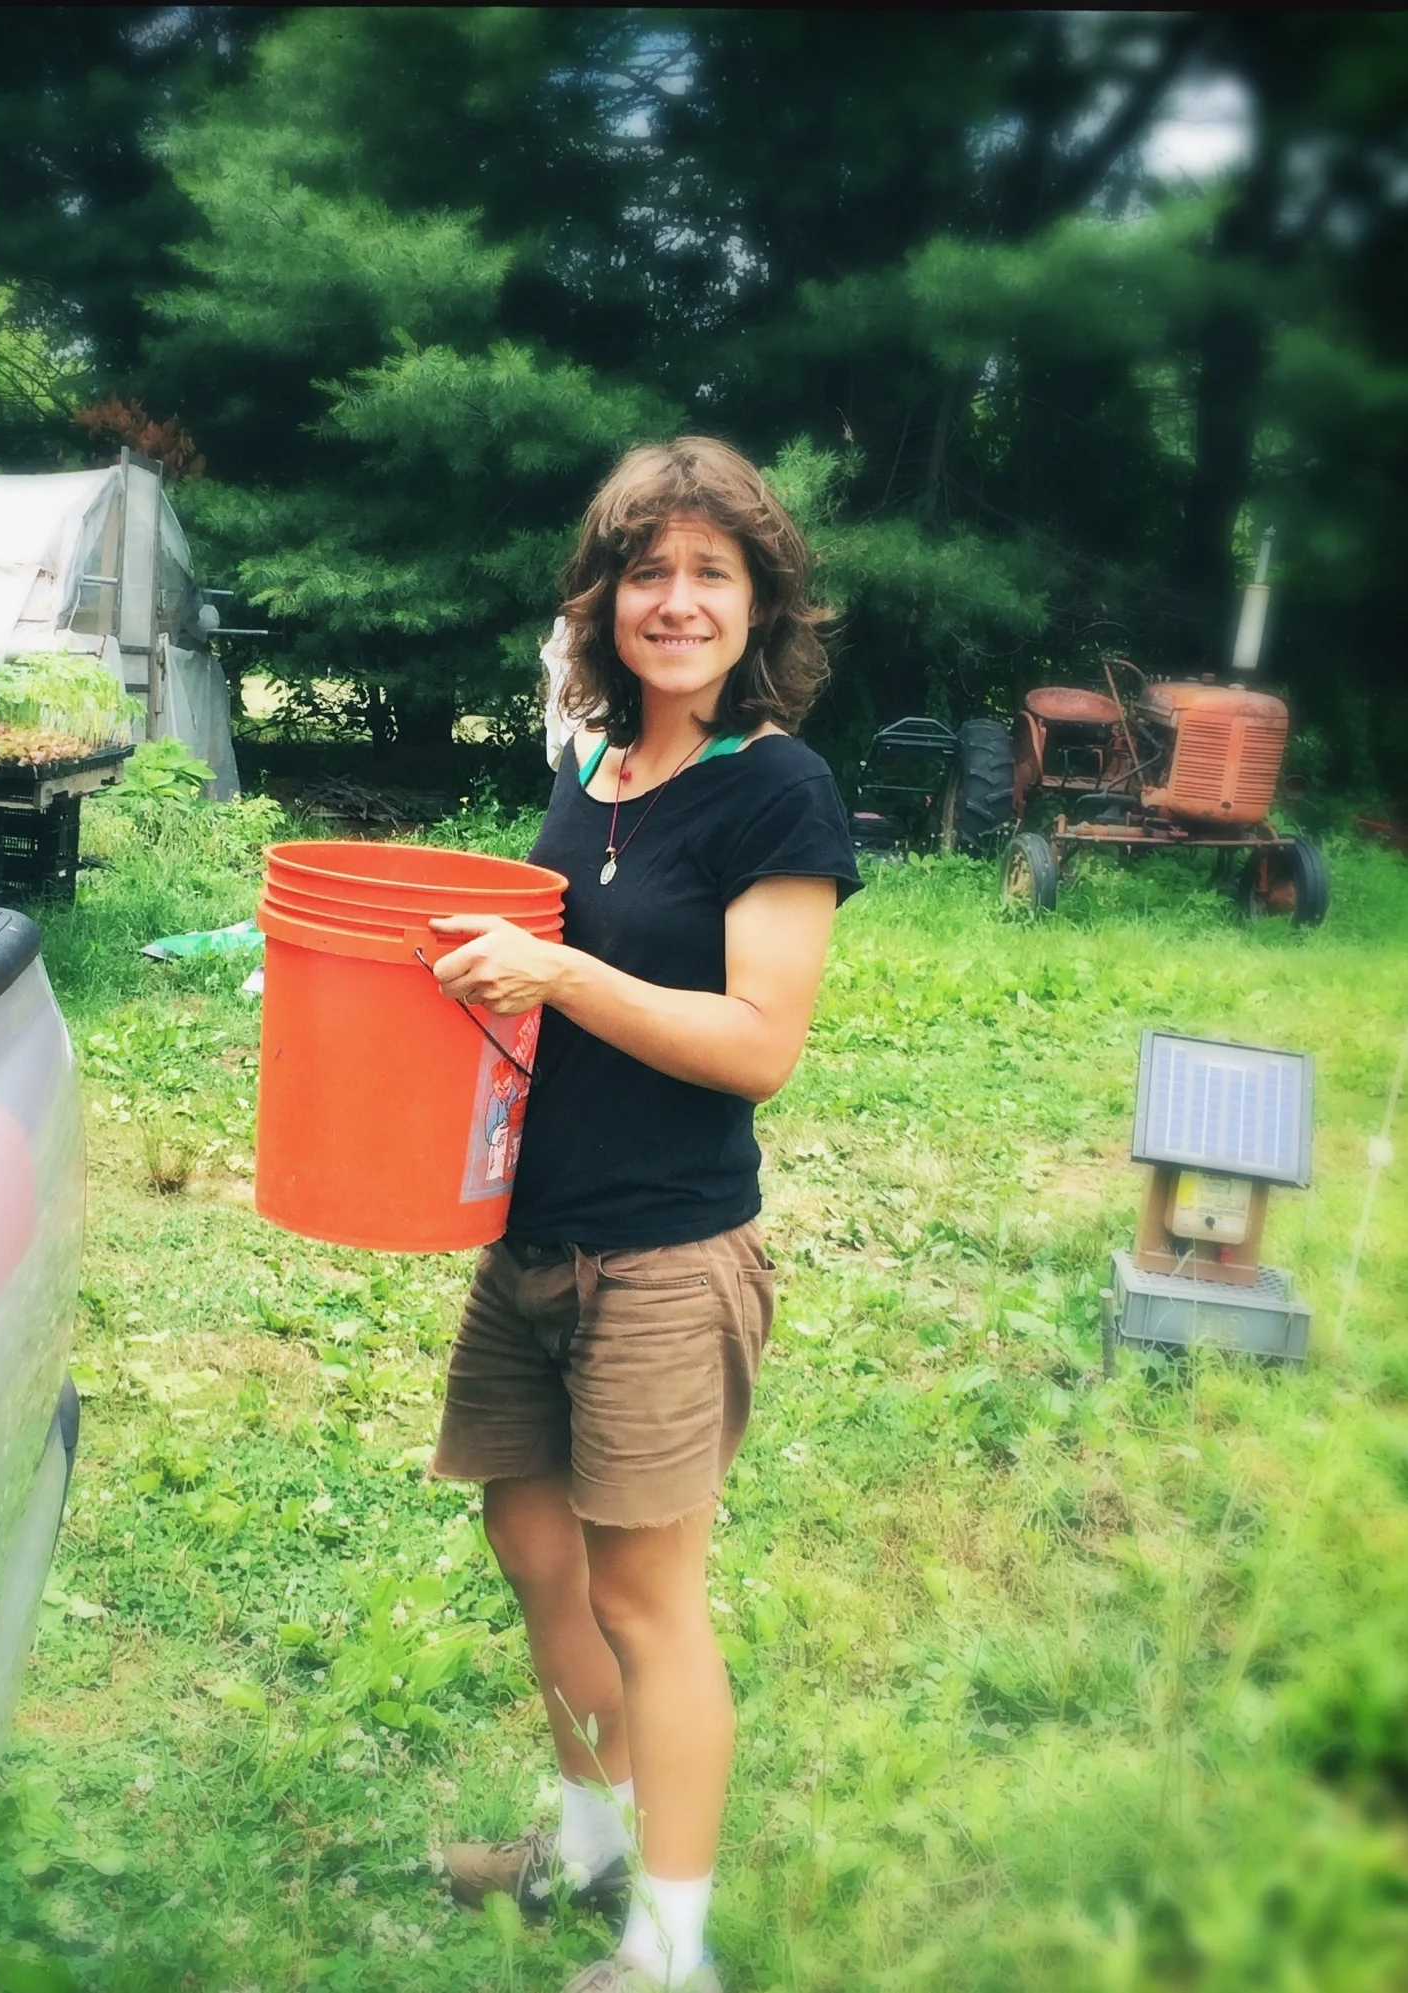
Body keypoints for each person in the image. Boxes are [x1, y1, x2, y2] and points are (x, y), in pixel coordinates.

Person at [424, 437, 862, 1993]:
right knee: (535, 1547)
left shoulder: (779, 789)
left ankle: (671, 1949)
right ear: (605, 599)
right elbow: (547, 987)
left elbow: (758, 1045)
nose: (676, 601)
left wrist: (559, 972)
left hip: (667, 1259)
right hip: (535, 1245)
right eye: (646, 571)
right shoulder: (595, 769)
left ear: (761, 605)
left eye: (710, 573)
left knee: (643, 1598)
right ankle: (590, 1839)